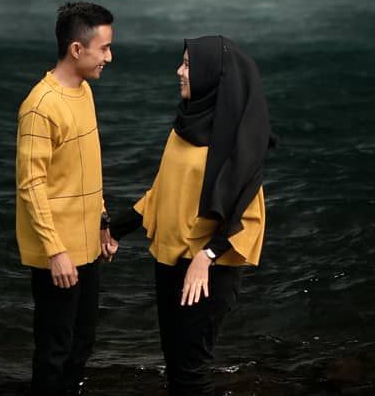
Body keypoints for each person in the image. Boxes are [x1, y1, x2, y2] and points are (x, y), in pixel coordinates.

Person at [107, 35, 272, 396]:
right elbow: (163, 193)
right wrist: (116, 227)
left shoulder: (236, 145)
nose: (178, 71)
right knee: (176, 368)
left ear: (213, 76)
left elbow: (248, 217)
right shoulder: (185, 126)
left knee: (192, 372)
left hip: (207, 270)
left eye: (187, 65)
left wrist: (207, 256)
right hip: (170, 262)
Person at [16, 0, 116, 396]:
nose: (110, 56)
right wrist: (56, 251)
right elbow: (31, 185)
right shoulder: (40, 106)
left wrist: (104, 225)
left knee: (82, 344)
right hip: (59, 253)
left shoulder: (85, 92)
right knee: (54, 349)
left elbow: (86, 170)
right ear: (77, 49)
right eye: (104, 47)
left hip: (88, 245)